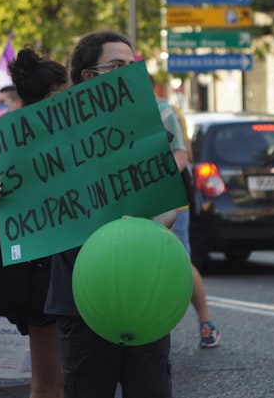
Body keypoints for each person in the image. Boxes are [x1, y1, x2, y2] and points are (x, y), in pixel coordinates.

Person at [52, 30, 176, 397]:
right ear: (89, 75)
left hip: (144, 291)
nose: (130, 73)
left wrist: (133, 237)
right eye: (118, 66)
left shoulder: (148, 130)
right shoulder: (52, 138)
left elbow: (168, 205)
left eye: (132, 65)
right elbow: (32, 202)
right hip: (82, 296)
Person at [0, 48, 69, 398]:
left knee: (54, 381)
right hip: (48, 273)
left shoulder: (8, 140)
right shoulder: (6, 143)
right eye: (67, 92)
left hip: (52, 272)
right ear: (51, 96)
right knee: (51, 383)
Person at [155, 87, 220, 348]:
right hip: (137, 203)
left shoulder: (165, 111)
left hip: (169, 201)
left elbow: (183, 155)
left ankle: (207, 323)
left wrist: (149, 183)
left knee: (179, 260)